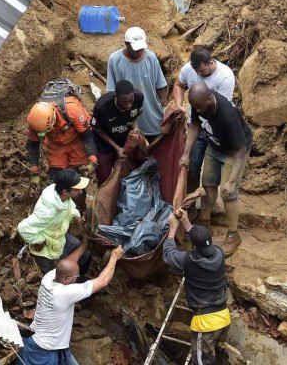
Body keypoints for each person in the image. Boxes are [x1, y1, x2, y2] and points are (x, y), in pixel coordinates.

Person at [17, 245, 124, 365]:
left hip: (38, 340)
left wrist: (85, 244)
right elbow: (102, 281)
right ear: (68, 279)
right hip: (44, 351)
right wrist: (114, 257)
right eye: (77, 276)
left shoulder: (49, 278)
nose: (78, 277)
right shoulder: (65, 293)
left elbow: (68, 263)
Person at [179, 83, 252, 257]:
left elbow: (240, 151)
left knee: (228, 193)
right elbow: (195, 126)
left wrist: (232, 181)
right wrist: (186, 153)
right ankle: (205, 221)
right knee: (208, 184)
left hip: (233, 152)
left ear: (209, 99)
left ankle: (233, 235)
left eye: (201, 108)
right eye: (196, 108)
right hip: (214, 146)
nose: (199, 111)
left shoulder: (228, 115)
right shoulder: (198, 103)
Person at [163, 209, 230, 365]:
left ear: (193, 248)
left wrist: (173, 228)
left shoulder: (190, 262)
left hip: (206, 325)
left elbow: (168, 254)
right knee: (217, 357)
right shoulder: (219, 254)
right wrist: (186, 222)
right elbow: (200, 242)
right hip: (223, 318)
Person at [173, 47, 236, 193]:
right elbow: (179, 85)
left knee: (210, 175)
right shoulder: (189, 69)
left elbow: (219, 111)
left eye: (201, 71)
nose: (198, 74)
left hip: (216, 129)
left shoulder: (225, 77)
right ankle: (191, 203)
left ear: (210, 62)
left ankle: (208, 205)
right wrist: (179, 105)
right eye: (196, 71)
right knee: (192, 167)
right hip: (195, 124)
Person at [17, 169, 91, 276]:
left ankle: (79, 277)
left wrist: (76, 218)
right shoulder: (48, 212)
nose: (80, 192)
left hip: (59, 235)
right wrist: (41, 241)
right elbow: (23, 228)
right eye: (77, 189)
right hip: (47, 251)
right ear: (65, 191)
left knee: (81, 251)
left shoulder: (61, 195)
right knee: (57, 276)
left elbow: (69, 207)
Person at [106, 27, 168, 142]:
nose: (140, 51)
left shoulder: (151, 58)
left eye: (142, 48)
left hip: (152, 116)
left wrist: (165, 109)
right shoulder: (115, 60)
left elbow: (161, 86)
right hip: (127, 117)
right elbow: (111, 92)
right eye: (136, 49)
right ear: (126, 44)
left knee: (157, 151)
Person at [26, 98, 97, 193]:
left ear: (52, 121)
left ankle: (79, 204)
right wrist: (34, 172)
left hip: (76, 141)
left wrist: (92, 160)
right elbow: (33, 144)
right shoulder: (35, 123)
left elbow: (87, 135)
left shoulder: (73, 111)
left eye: (43, 133)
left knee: (77, 176)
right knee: (56, 176)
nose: (41, 135)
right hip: (55, 145)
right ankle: (59, 202)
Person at [92, 79, 144, 185]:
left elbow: (134, 116)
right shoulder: (102, 107)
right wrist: (117, 148)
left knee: (124, 172)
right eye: (124, 102)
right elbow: (99, 130)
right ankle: (105, 199)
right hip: (104, 144)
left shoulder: (139, 98)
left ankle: (121, 197)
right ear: (116, 96)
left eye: (131, 101)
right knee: (104, 176)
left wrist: (136, 127)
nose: (129, 105)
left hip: (123, 140)